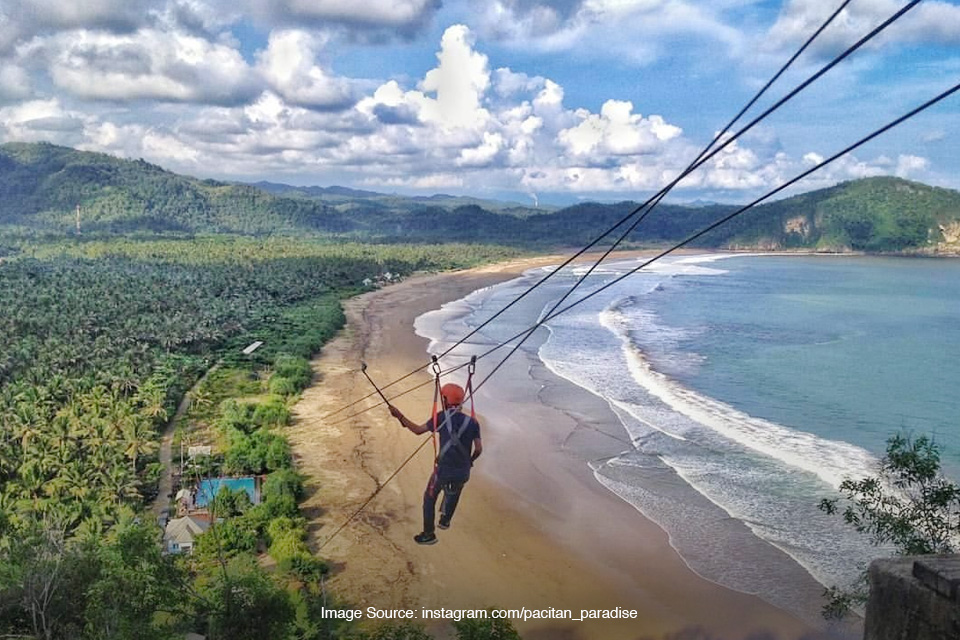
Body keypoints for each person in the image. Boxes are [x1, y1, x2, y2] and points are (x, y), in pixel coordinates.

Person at [389, 383, 482, 545]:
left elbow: (418, 430)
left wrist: (400, 416)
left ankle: (428, 534)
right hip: (463, 472)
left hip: (443, 472)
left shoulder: (441, 417)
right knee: (454, 490)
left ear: (446, 399)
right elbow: (479, 449)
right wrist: (470, 461)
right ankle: (445, 521)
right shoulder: (473, 422)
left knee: (430, 498)